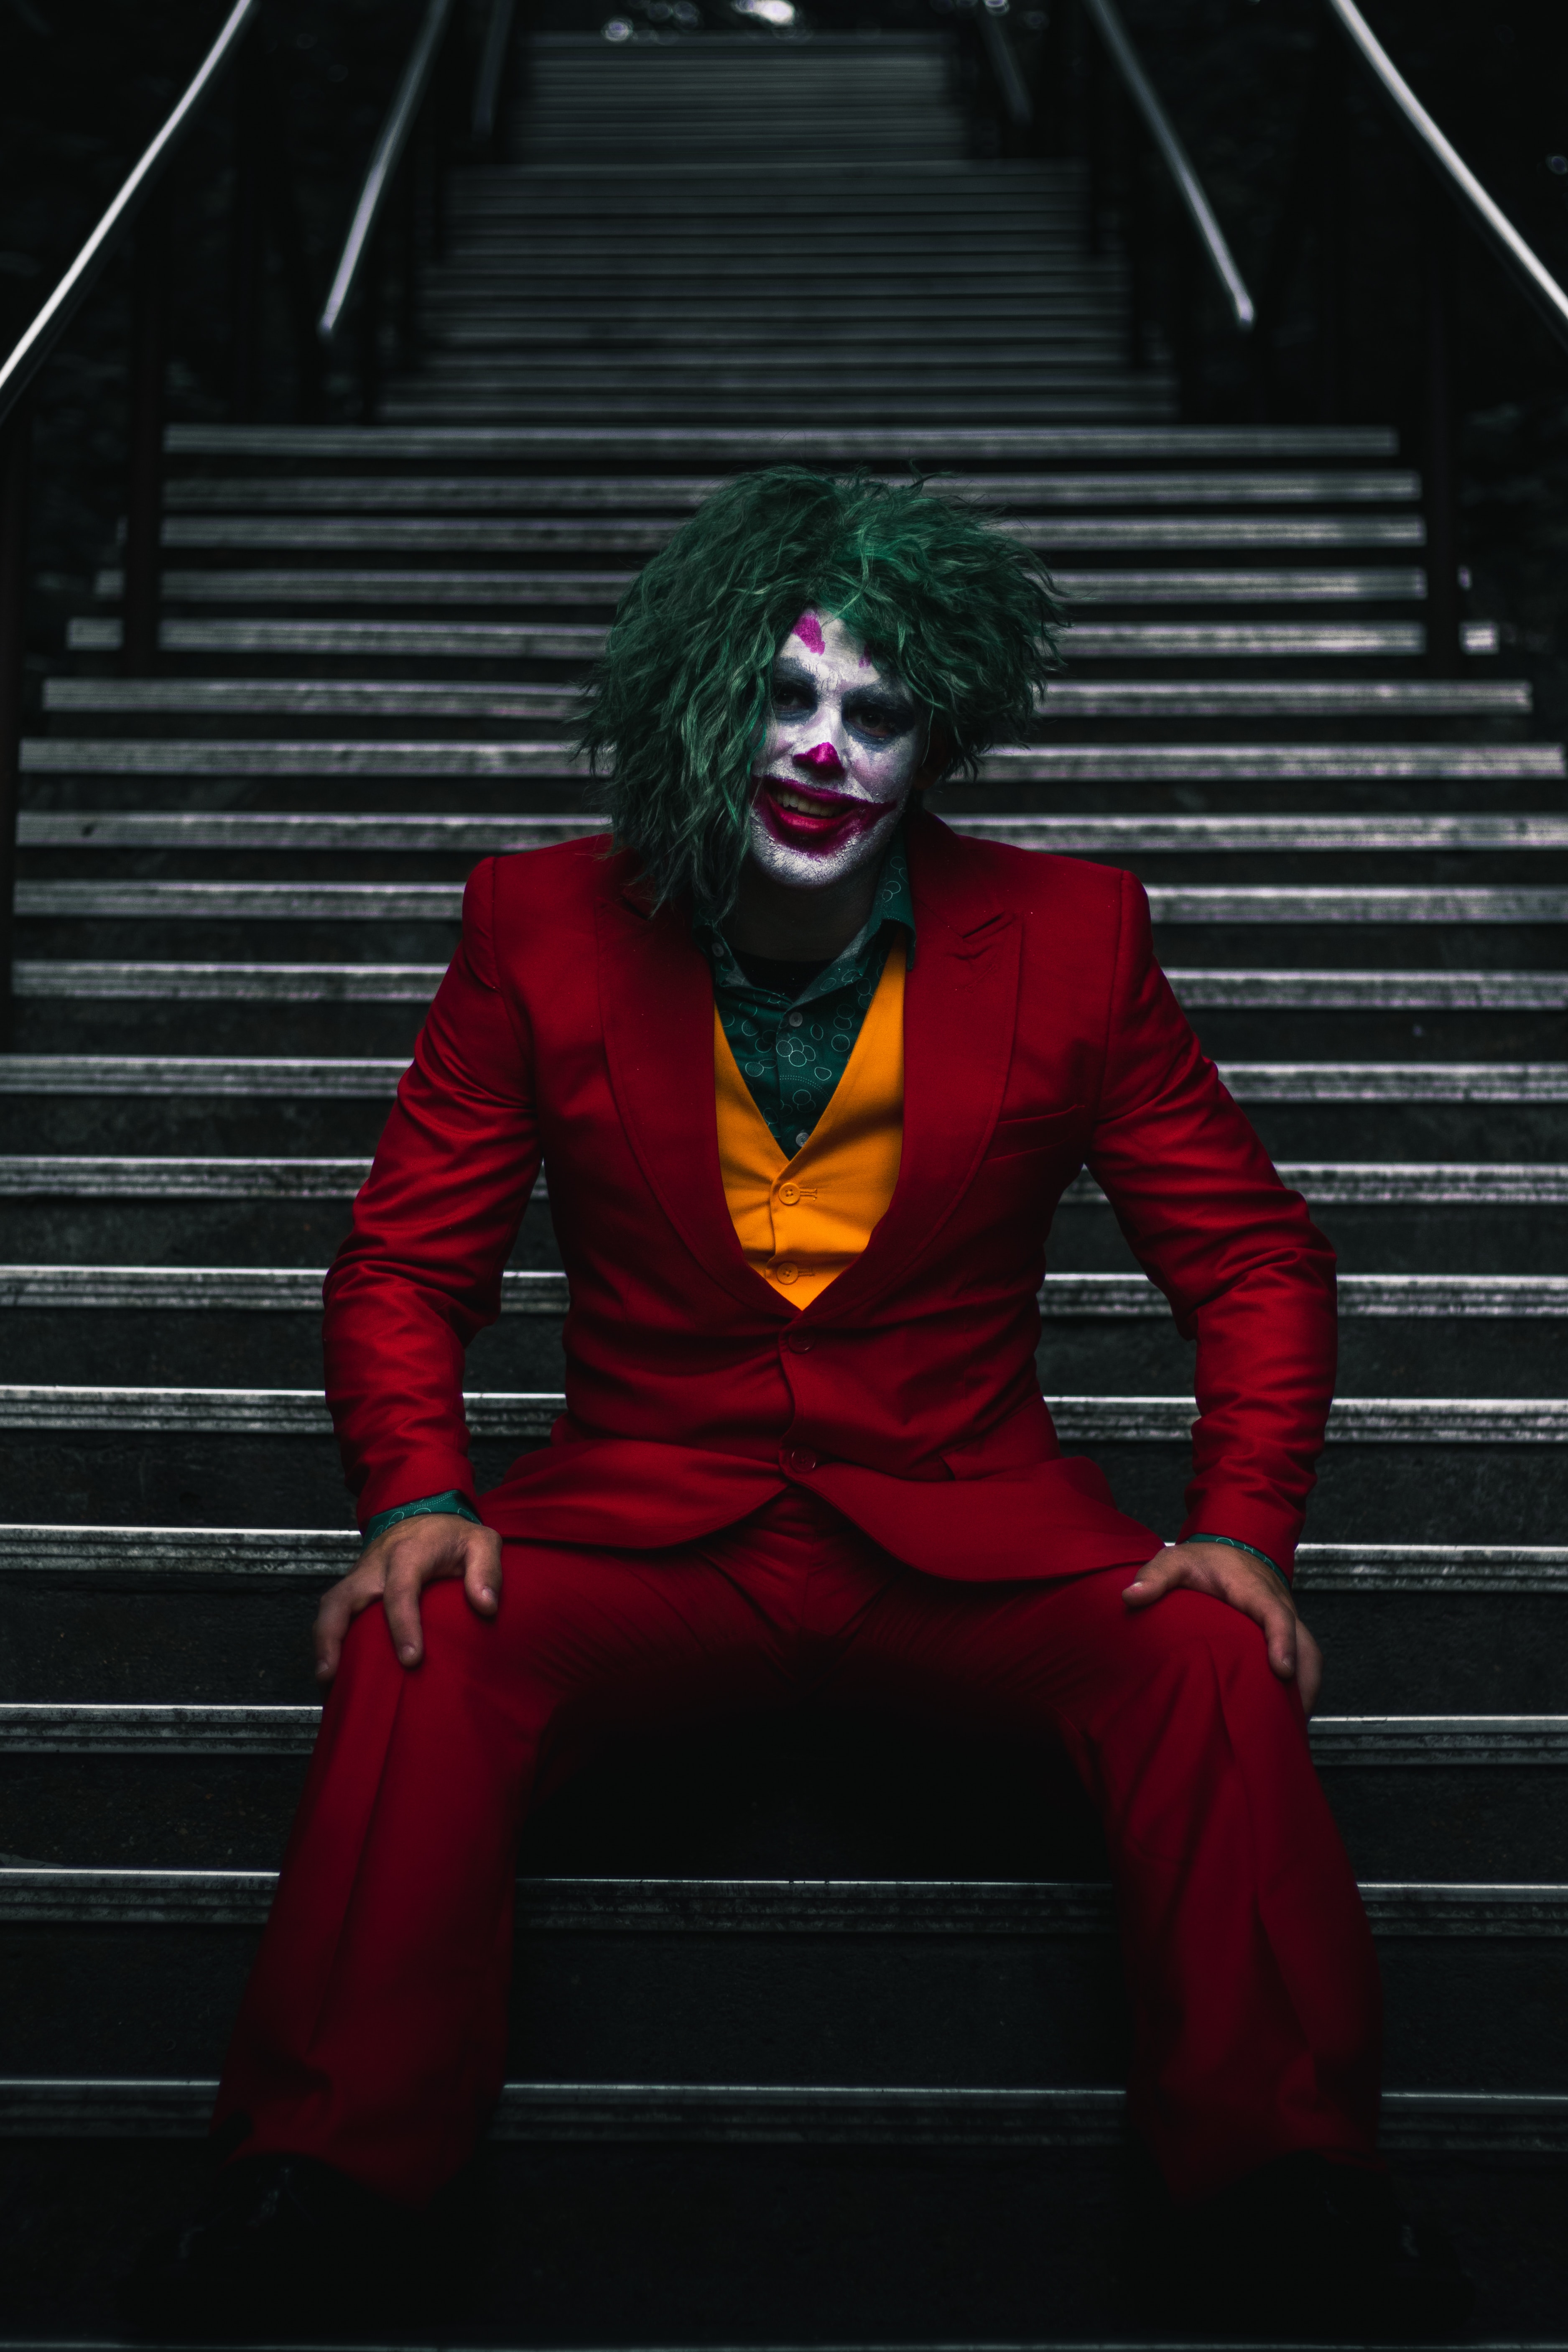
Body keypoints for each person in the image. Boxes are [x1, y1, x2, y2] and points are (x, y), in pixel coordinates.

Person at [126, 469, 1465, 2336]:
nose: (824, 751)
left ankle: (1283, 2192)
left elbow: (1250, 1256)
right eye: (783, 696)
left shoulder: (1072, 938)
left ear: (935, 748)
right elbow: (404, 1266)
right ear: (697, 696)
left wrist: (1240, 1525)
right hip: (647, 1529)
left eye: (878, 713)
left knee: (1206, 1663)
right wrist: (413, 1496)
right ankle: (328, 2186)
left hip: (963, 1537)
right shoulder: (536, 926)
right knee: (420, 1635)